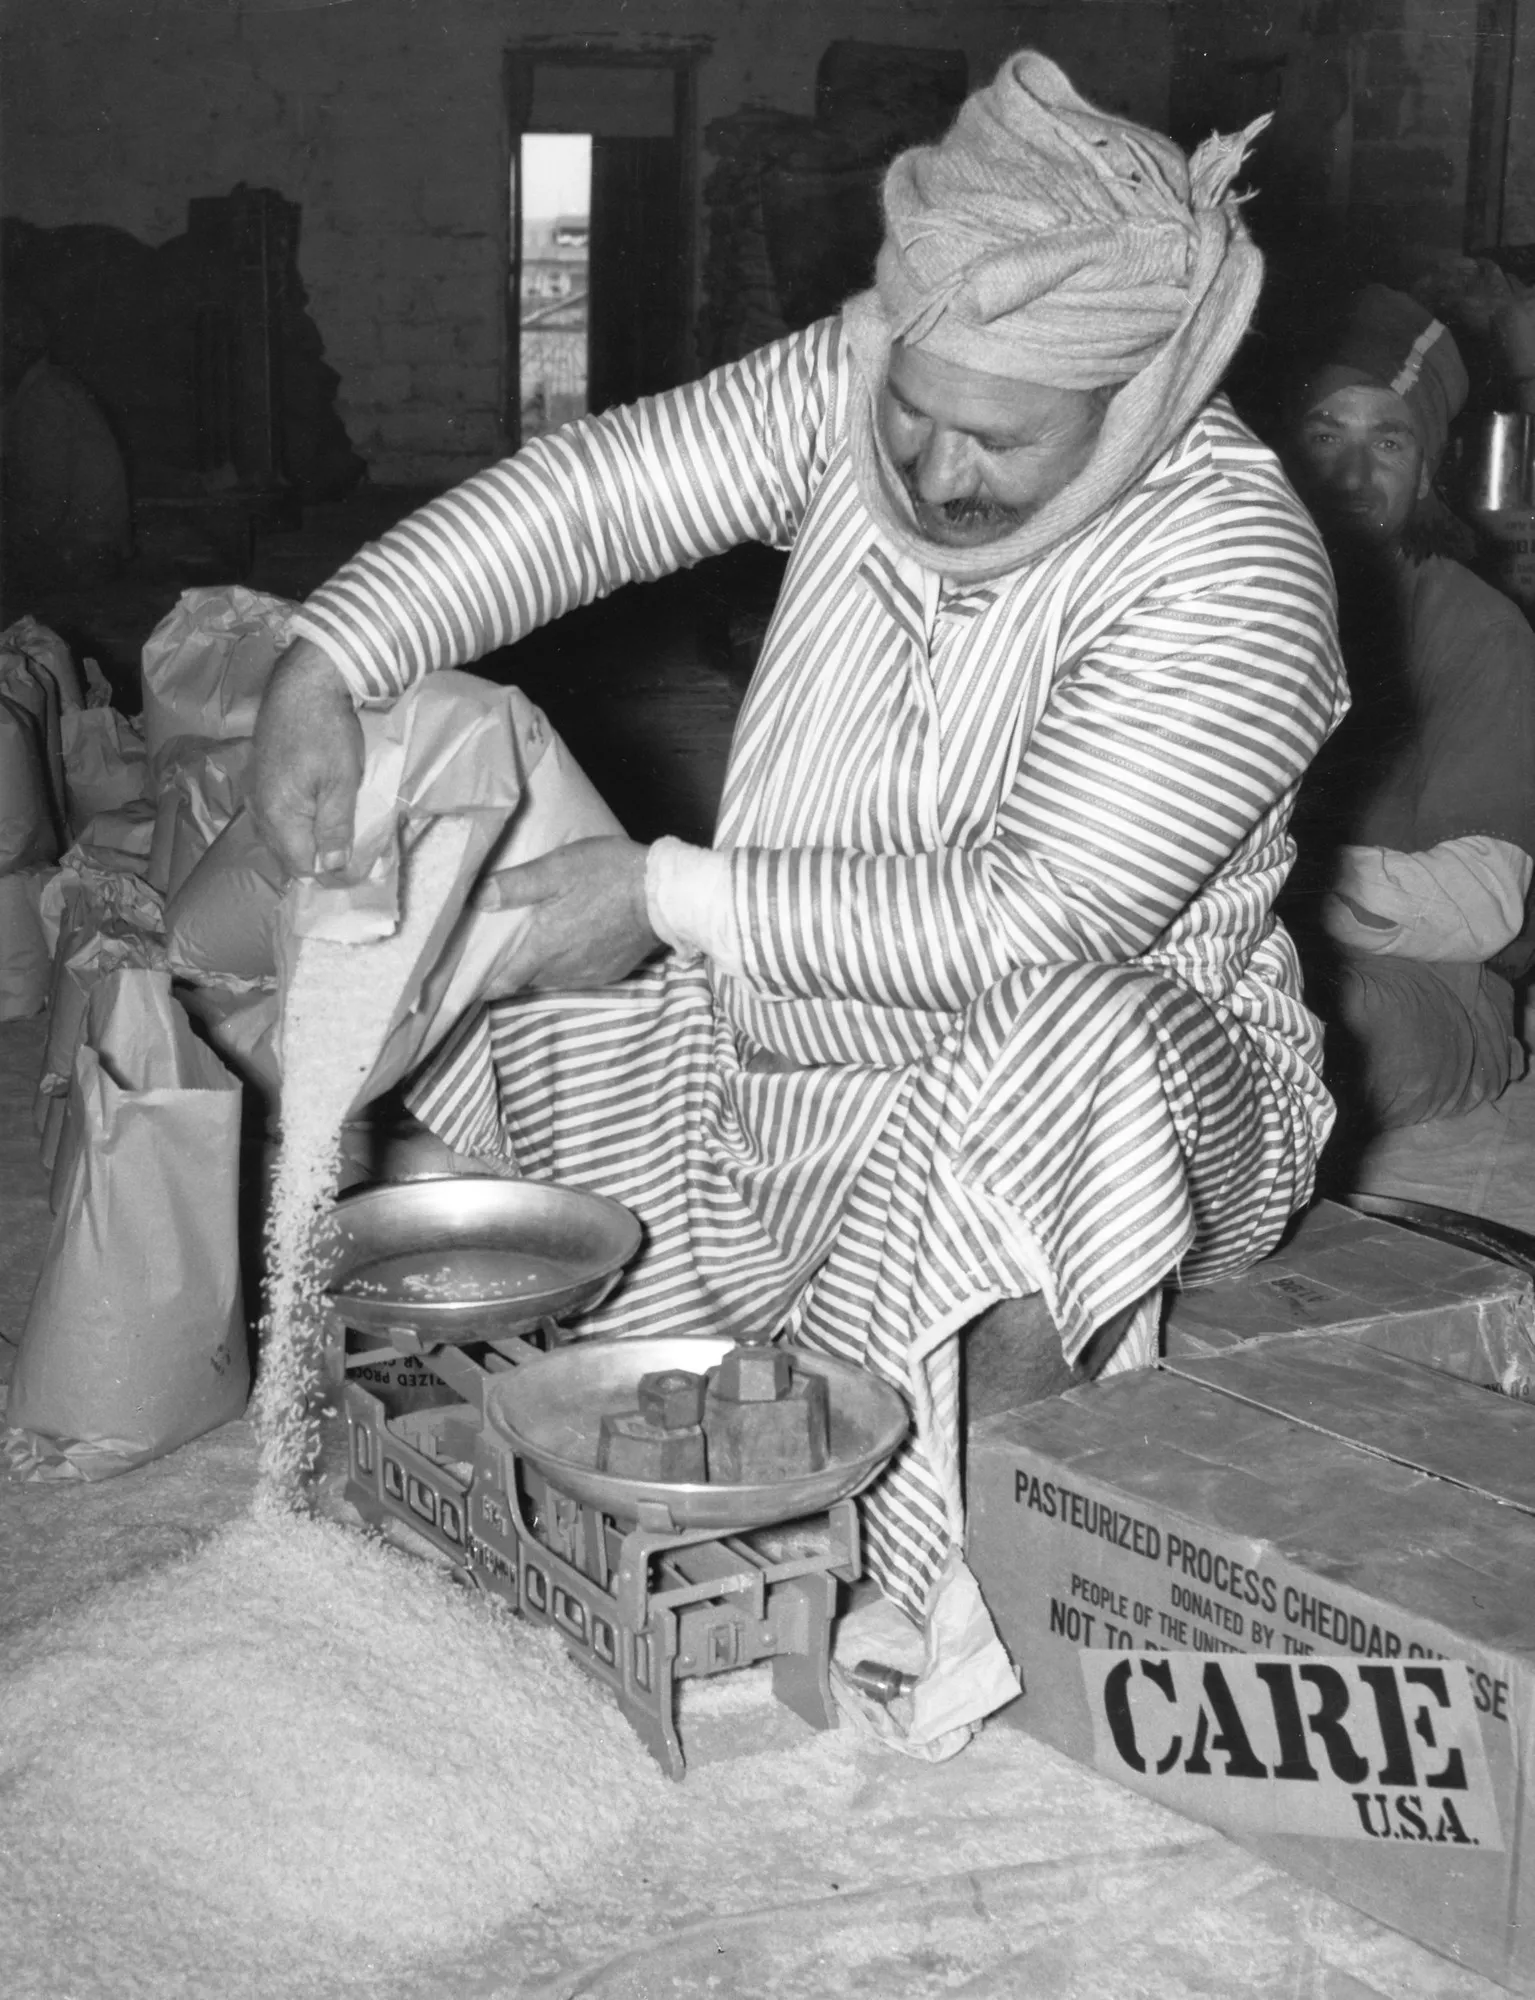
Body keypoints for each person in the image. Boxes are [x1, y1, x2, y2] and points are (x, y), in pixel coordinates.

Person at [251, 55, 1344, 1678]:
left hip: (1141, 1088)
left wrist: (671, 899)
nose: (927, 468)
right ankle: (700, 1359)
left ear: (1143, 400)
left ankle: (986, 1559)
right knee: (506, 943)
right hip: (800, 1010)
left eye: (994, 441)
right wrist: (331, 658)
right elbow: (602, 490)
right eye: (906, 407)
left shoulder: (1235, 577)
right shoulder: (888, 389)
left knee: (1049, 1039)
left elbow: (1035, 920)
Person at [1284, 285, 1535, 1135]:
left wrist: (1263, 882)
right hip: (1241, 949)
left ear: (1428, 467)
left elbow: (1480, 904)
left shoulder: (1473, 627)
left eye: (1386, 441)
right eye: (1324, 435)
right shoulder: (1223, 603)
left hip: (1427, 987)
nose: (1350, 475)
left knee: (1325, 1036)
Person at [1, 304, 131, 593]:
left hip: (84, 554)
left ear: (17, 350)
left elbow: (44, 509)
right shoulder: (30, 393)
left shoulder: (45, 400)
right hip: (76, 546)